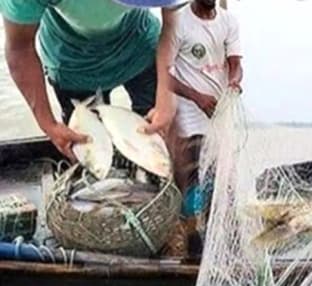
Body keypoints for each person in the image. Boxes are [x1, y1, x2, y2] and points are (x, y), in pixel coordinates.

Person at [0, 0, 183, 160]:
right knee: (91, 152)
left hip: (140, 44)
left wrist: (167, 95)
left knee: (158, 139)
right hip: (73, 63)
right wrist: (48, 123)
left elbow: (174, 25)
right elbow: (20, 48)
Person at [167, 0, 242, 257]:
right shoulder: (177, 22)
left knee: (223, 184)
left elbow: (235, 63)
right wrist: (196, 96)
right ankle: (192, 245)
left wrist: (233, 82)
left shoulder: (228, 21)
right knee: (191, 184)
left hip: (219, 118)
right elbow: (164, 75)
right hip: (188, 120)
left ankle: (228, 246)